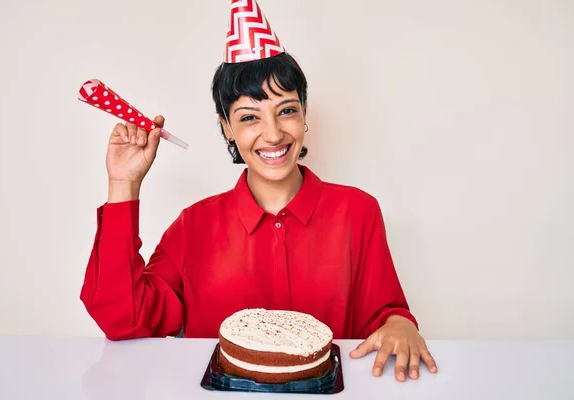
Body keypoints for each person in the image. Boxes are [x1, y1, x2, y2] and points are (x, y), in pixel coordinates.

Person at [80, 0, 438, 382]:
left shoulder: (358, 212)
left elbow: (385, 315)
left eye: (286, 110)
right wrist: (124, 184)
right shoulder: (194, 225)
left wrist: (401, 324)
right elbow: (125, 319)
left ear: (304, 114)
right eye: (249, 117)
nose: (272, 133)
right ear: (227, 128)